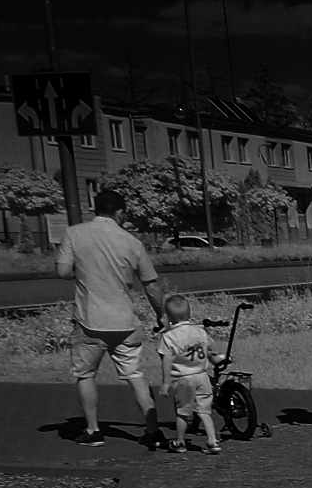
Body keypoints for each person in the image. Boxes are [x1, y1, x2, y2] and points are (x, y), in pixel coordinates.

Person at [56, 187, 167, 448]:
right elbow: (151, 285)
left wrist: (85, 271)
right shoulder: (132, 242)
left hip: (89, 321)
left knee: (85, 375)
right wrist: (161, 315)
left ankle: (93, 430)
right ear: (120, 212)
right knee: (135, 375)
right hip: (124, 321)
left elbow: (62, 271)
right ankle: (153, 431)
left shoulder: (74, 233)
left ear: (96, 209)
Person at [156, 294, 221, 454]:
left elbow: (166, 360)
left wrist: (166, 383)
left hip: (183, 378)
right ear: (189, 313)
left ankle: (180, 441)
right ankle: (212, 441)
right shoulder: (199, 331)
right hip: (202, 375)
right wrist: (215, 359)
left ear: (169, 318)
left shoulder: (169, 336)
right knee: (204, 410)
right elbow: (210, 348)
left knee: (183, 411)